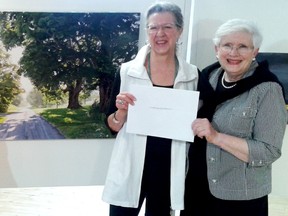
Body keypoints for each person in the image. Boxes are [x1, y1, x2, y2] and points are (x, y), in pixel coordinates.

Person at [180, 18, 287, 216]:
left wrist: (216, 137)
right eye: (227, 45)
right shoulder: (206, 77)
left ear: (254, 52)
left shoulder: (268, 89)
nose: (234, 53)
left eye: (243, 46)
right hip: (196, 189)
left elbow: (268, 151)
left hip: (239, 198)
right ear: (216, 49)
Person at [102, 1, 199, 216]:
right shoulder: (127, 71)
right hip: (131, 165)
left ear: (180, 31)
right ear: (147, 31)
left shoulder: (192, 75)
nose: (160, 34)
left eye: (167, 27)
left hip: (168, 169)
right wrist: (121, 112)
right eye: (153, 27)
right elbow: (112, 125)